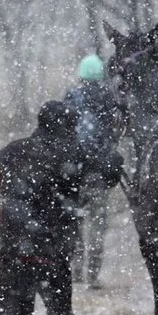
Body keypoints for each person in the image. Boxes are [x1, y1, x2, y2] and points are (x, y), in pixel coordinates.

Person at [0, 100, 121, 315]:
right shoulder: (73, 153)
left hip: (16, 253)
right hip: (54, 253)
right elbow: (111, 171)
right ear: (66, 126)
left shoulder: (11, 152)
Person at [64, 54, 125, 288]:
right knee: (97, 224)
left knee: (74, 220)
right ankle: (93, 274)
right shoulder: (109, 99)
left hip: (73, 171)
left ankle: (76, 269)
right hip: (98, 172)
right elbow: (115, 131)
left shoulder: (71, 97)